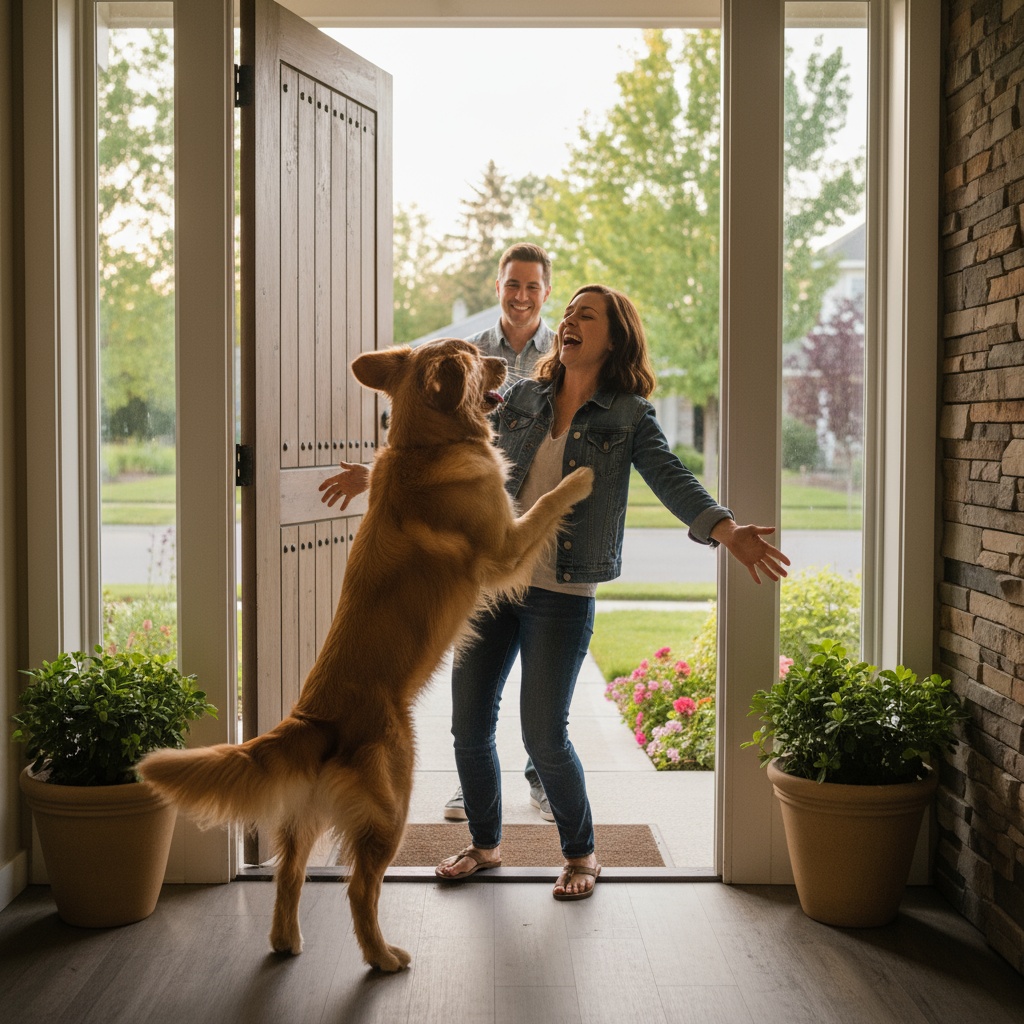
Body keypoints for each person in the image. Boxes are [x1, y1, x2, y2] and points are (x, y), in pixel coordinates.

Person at [322, 283, 790, 901]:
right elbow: (440, 432)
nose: (568, 321)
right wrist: (379, 472)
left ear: (614, 335)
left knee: (543, 732)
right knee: (468, 725)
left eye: (584, 315)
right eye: (567, 312)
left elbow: (671, 477)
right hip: (490, 583)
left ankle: (580, 852)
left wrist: (726, 531)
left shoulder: (629, 415)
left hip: (563, 591)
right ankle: (485, 844)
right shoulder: (520, 395)